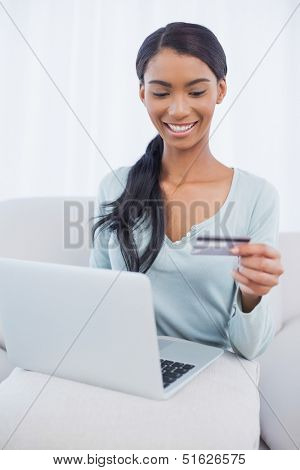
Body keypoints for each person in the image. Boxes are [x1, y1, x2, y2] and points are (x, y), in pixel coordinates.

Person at [89, 22, 284, 360]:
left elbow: (249, 349)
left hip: (214, 372)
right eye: (161, 93)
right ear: (142, 94)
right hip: (125, 362)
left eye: (196, 92)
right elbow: (94, 305)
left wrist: (251, 296)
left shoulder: (258, 197)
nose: (178, 110)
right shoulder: (115, 186)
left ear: (220, 90)